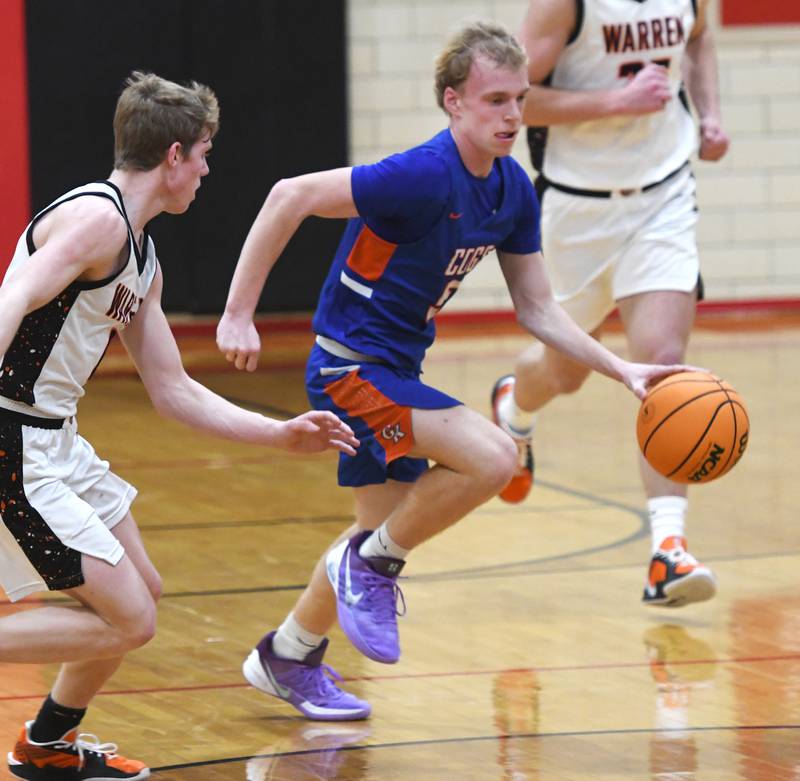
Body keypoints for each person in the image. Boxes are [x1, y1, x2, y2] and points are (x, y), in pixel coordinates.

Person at [217, 20, 689, 721]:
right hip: (350, 368)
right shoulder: (419, 175)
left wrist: (619, 366)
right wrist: (236, 313)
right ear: (453, 102)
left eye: (519, 99)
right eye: (494, 99)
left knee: (371, 532)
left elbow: (538, 309)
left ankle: (290, 650)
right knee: (496, 455)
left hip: (395, 365)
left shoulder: (512, 189)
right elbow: (289, 194)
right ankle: (374, 565)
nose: (511, 115)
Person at [0, 71, 357, 781]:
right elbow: (13, 293)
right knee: (130, 618)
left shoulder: (142, 256)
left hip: (56, 437)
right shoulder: (96, 220)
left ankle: (46, 743)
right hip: (13, 436)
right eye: (202, 154)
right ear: (172, 157)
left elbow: (171, 388)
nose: (205, 170)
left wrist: (279, 433)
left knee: (142, 591)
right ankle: (46, 743)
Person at [491, 0, 730, 607]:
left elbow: (700, 40)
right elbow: (513, 95)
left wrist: (709, 116)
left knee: (663, 362)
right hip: (576, 208)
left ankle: (667, 552)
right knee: (565, 373)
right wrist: (613, 101)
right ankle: (516, 406)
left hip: (665, 196)